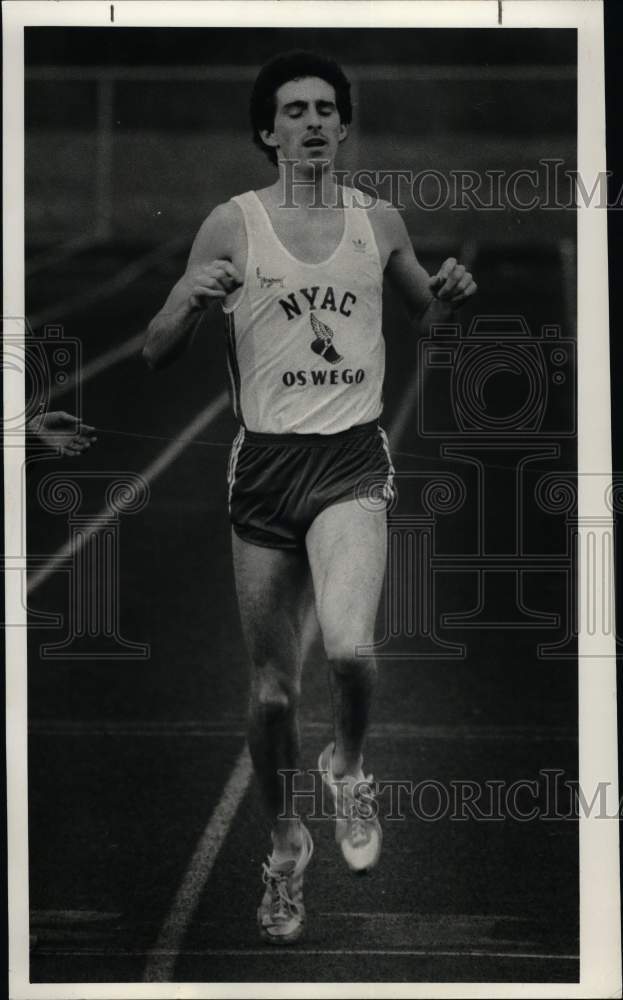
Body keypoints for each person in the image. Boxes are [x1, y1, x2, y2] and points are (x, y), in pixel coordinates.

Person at [143, 50, 476, 945]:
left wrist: (448, 290)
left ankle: (350, 767)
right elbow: (154, 349)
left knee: (355, 648)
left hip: (350, 464)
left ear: (344, 124)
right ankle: (285, 847)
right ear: (267, 130)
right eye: (295, 110)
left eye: (327, 108)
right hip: (264, 475)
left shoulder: (379, 221)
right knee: (272, 695)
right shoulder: (230, 225)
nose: (314, 122)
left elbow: (427, 314)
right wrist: (184, 297)